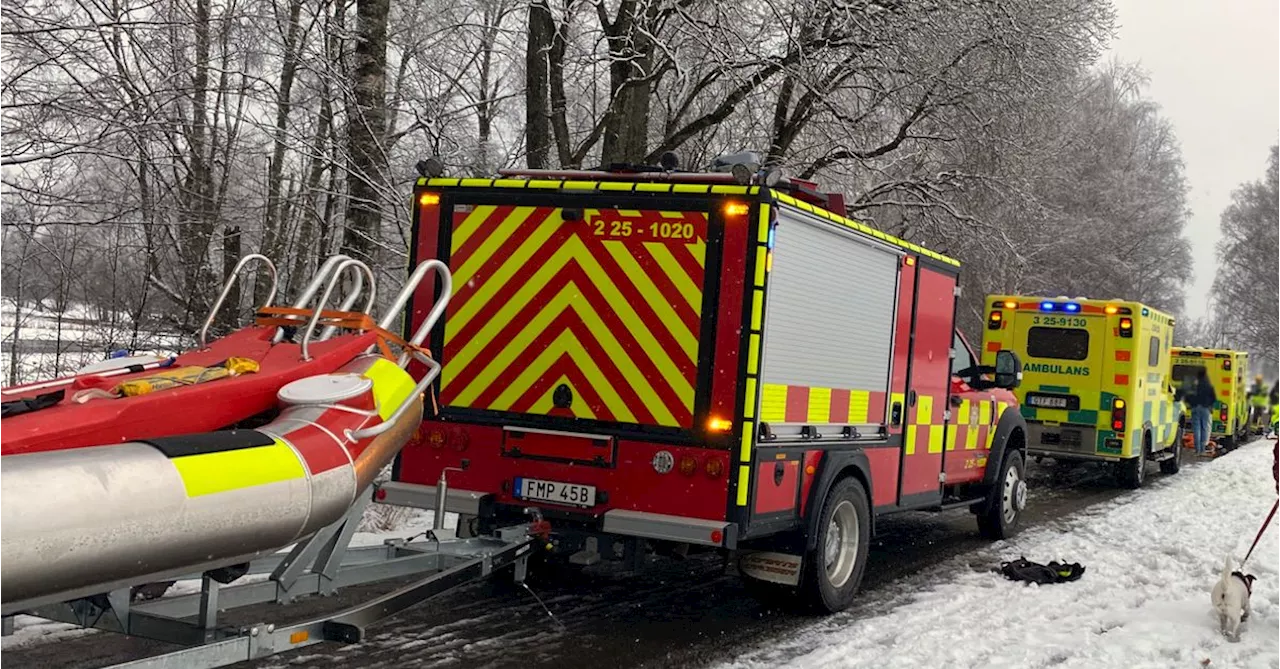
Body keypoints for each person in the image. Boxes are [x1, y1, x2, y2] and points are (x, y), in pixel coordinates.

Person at [1178, 368, 1217, 456]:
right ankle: (1203, 449)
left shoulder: (1194, 385)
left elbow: (1189, 396)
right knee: (1204, 428)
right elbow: (1213, 398)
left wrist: (1190, 404)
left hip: (1195, 408)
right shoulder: (1209, 386)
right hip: (1205, 408)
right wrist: (1210, 405)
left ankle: (1197, 449)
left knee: (1196, 429)